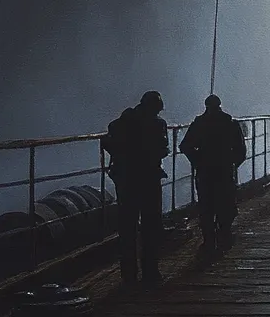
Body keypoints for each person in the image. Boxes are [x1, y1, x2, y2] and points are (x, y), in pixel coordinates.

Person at [105, 90, 170, 286]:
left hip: (126, 179)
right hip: (149, 178)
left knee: (127, 227)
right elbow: (163, 148)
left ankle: (129, 274)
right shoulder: (158, 124)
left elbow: (108, 142)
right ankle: (151, 272)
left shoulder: (122, 122)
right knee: (151, 225)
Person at [180, 94, 247, 255]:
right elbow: (241, 150)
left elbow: (185, 146)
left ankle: (209, 240)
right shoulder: (230, 123)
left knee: (206, 206)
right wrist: (233, 164)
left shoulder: (199, 124)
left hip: (205, 170)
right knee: (227, 204)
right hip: (224, 170)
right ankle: (224, 235)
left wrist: (196, 160)